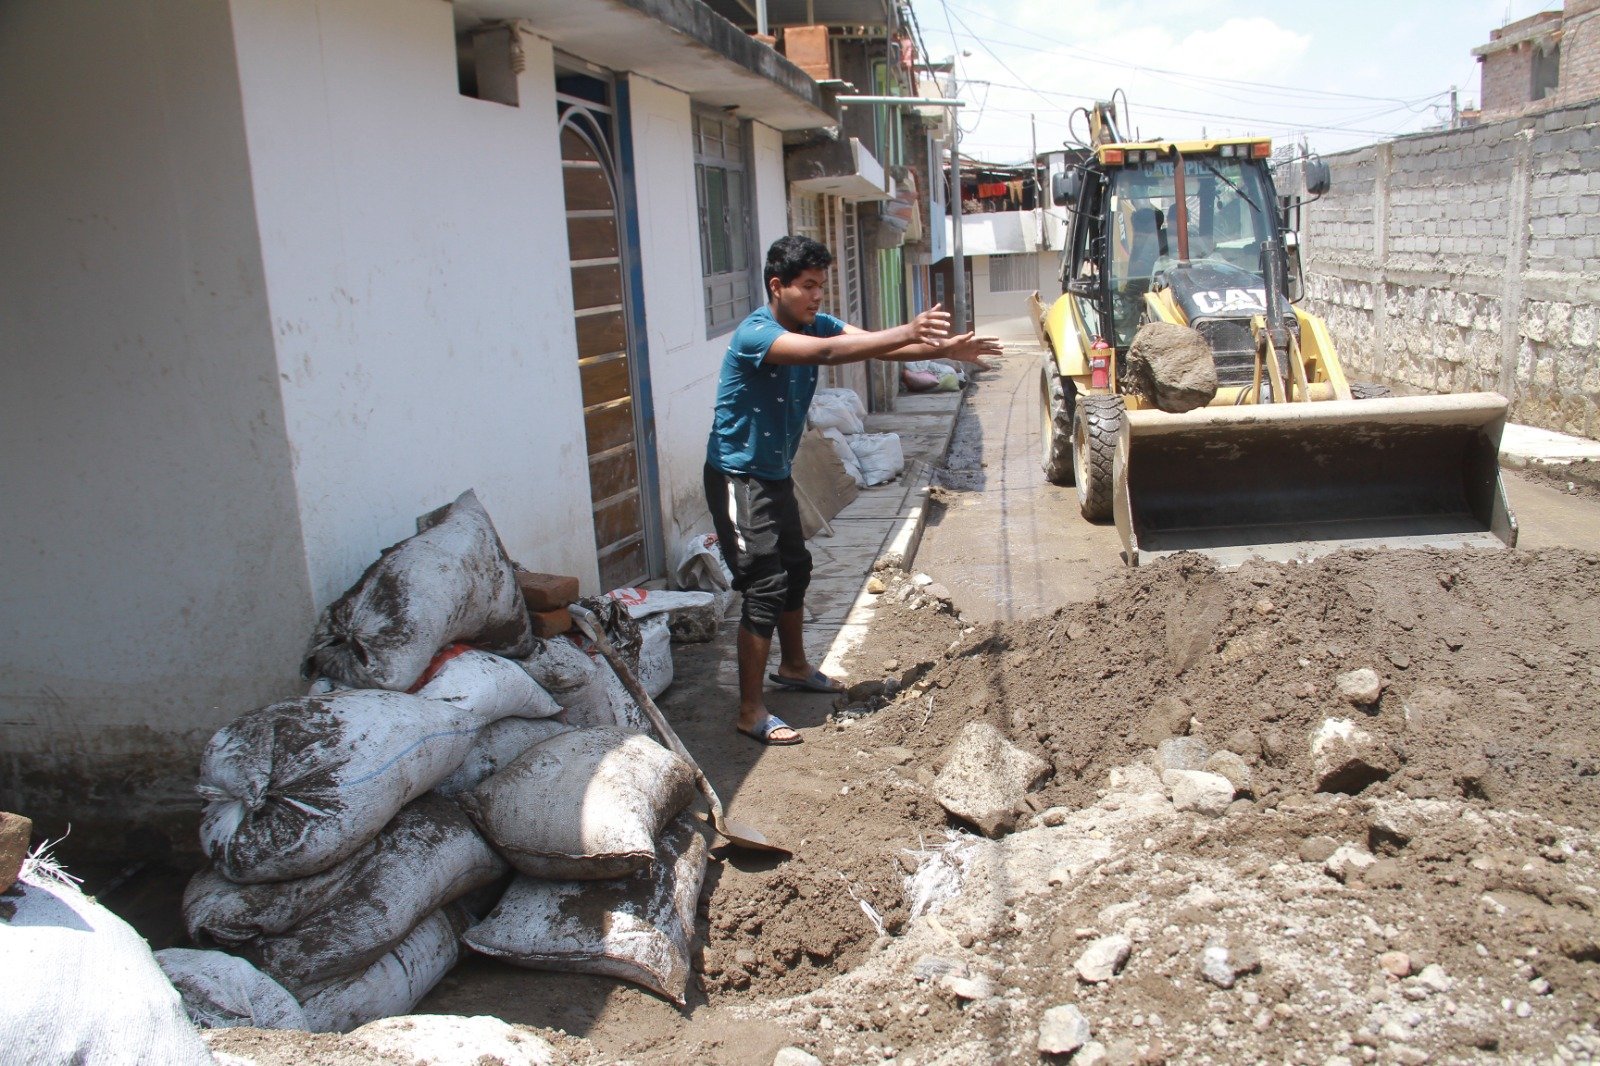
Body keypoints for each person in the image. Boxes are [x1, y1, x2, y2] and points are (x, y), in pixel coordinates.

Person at [704, 235, 1002, 745]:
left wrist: (941, 348)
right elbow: (829, 351)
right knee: (764, 588)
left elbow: (874, 342)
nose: (818, 296)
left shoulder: (812, 322)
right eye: (808, 286)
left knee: (796, 568)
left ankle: (795, 667)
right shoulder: (756, 335)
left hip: (773, 472)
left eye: (822, 285)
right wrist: (911, 329)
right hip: (738, 476)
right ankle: (750, 710)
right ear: (777, 287)